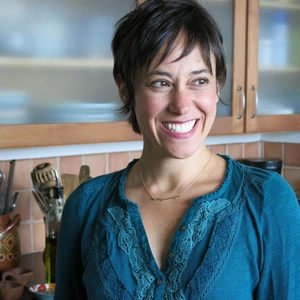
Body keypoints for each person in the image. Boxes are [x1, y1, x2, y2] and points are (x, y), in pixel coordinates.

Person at [54, 0, 300, 299]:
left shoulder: (267, 201)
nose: (182, 105)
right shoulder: (85, 207)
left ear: (218, 85)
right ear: (125, 88)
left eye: (199, 80)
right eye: (161, 82)